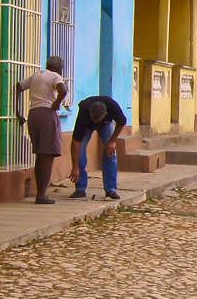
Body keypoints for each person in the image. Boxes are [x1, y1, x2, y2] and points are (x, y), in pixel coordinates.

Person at [13, 57, 68, 204]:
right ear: (59, 69)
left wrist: (17, 112)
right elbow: (63, 90)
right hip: (47, 115)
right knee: (47, 155)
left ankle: (41, 192)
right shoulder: (55, 76)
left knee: (40, 155)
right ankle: (42, 194)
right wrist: (56, 104)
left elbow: (17, 87)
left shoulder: (36, 76)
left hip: (33, 115)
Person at [70, 93, 128, 202]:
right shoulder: (84, 112)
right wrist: (75, 168)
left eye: (97, 120)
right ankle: (80, 188)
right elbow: (75, 143)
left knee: (111, 153)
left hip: (106, 125)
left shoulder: (112, 107)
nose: (95, 122)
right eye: (93, 119)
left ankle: (111, 189)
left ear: (106, 113)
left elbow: (122, 123)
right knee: (80, 152)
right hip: (87, 127)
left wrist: (112, 141)